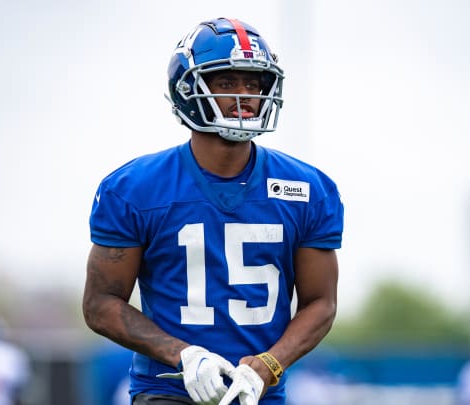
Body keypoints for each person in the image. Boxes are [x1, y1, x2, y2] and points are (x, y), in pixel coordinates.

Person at [83, 17, 344, 405]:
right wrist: (184, 355)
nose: (245, 96)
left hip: (259, 395)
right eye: (226, 83)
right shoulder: (134, 188)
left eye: (253, 83)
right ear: (187, 88)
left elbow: (321, 302)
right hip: (167, 390)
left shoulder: (308, 189)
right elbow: (100, 303)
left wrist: (270, 364)